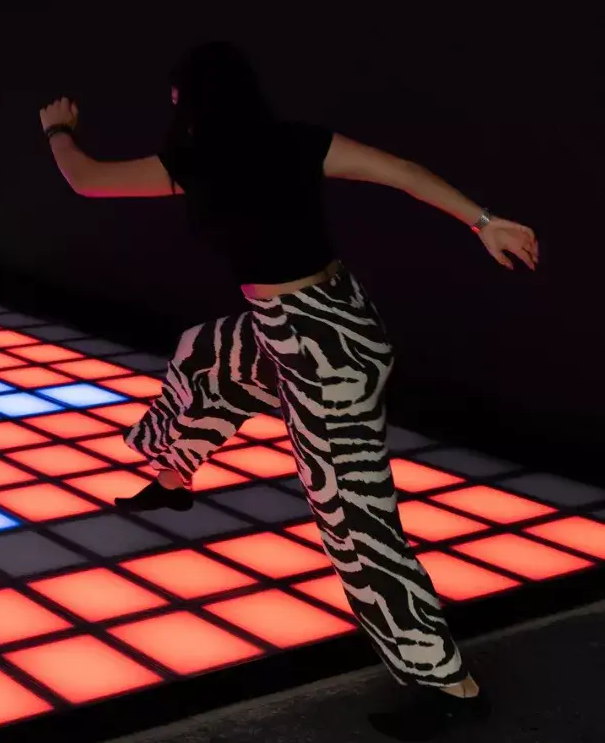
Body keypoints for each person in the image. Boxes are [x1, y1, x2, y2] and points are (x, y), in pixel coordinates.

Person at [39, 42, 537, 741]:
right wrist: (482, 221)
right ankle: (173, 472)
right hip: (321, 323)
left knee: (354, 524)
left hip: (322, 355)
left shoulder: (199, 161)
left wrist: (58, 129)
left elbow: (86, 179)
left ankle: (448, 683)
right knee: (205, 353)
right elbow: (401, 171)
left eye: (178, 101)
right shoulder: (293, 143)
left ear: (191, 103)